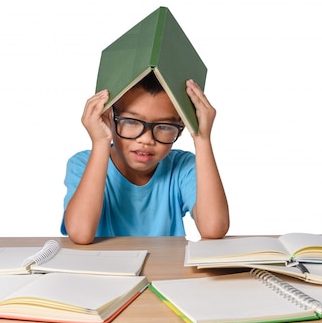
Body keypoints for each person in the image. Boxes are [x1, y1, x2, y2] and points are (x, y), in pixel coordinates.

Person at [61, 72, 229, 244]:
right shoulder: (83, 163)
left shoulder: (183, 167)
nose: (146, 139)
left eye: (164, 126)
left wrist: (203, 140)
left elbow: (213, 228)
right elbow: (80, 233)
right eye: (131, 122)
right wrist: (100, 142)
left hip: (164, 269)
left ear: (181, 126)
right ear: (109, 117)